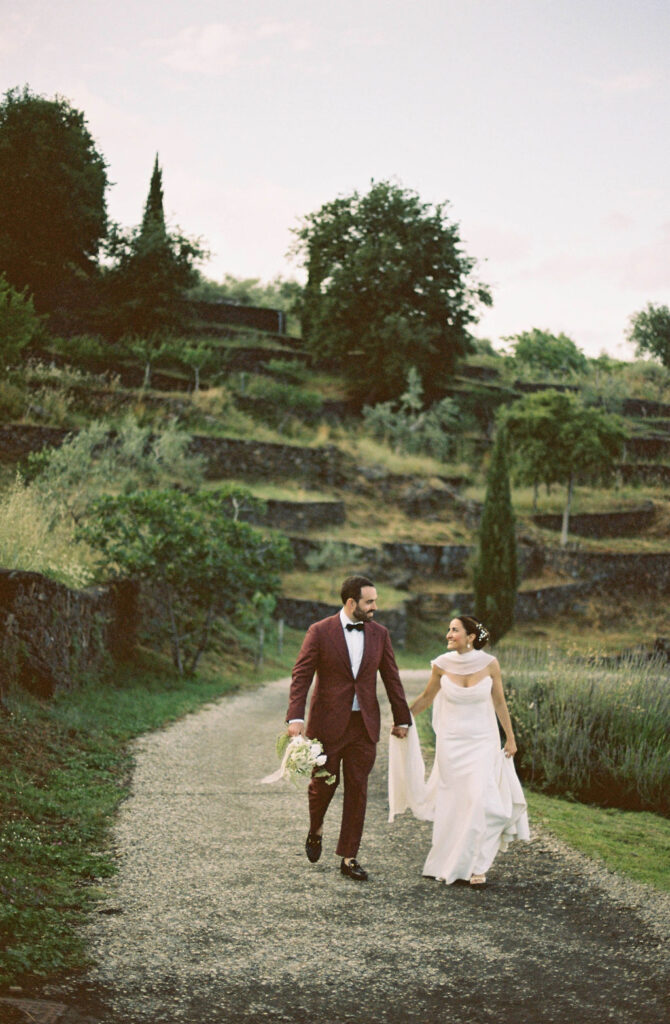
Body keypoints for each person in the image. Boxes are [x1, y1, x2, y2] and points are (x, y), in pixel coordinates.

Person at [388, 615, 529, 887]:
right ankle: (447, 861)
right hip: (451, 744)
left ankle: (477, 865)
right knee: (454, 804)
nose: (448, 634)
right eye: (449, 630)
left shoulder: (490, 664)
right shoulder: (441, 665)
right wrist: (403, 719)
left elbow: (499, 703)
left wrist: (510, 738)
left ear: (471, 637)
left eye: (454, 630)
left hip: (483, 742)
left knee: (481, 801)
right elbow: (427, 698)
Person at [286, 575, 411, 881]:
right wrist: (295, 718)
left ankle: (349, 856)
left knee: (358, 789)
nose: (375, 607)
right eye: (369, 601)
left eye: (375, 601)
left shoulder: (380, 634)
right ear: (351, 602)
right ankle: (315, 829)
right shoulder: (320, 632)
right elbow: (301, 675)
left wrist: (402, 717)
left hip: (363, 726)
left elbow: (391, 677)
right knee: (322, 786)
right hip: (327, 725)